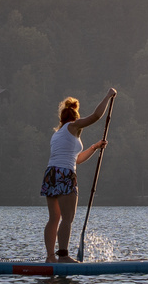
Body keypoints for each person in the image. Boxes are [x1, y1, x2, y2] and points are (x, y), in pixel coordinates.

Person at [43, 89, 115, 262]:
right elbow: (96, 116)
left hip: (51, 173)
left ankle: (50, 257)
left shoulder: (58, 134)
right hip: (65, 174)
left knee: (54, 218)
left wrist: (94, 147)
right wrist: (108, 95)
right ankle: (64, 257)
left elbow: (77, 159)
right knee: (67, 218)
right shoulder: (72, 126)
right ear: (75, 118)